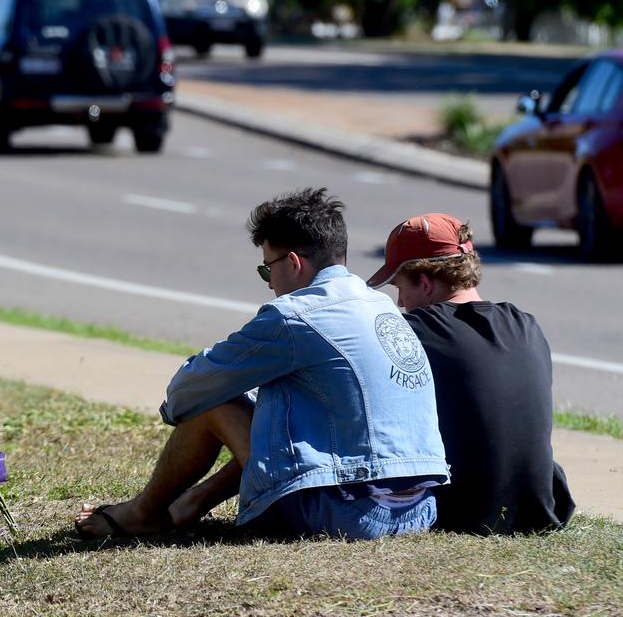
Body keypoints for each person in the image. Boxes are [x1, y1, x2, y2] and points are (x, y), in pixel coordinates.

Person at [75, 188, 449, 540]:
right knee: (288, 410)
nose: (270, 284)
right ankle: (193, 502)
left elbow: (192, 388)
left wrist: (181, 409)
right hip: (420, 509)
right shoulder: (382, 306)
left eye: (267, 269)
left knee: (219, 403)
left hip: (350, 513)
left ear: (293, 262)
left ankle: (143, 513)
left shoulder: (295, 315)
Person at [367, 213, 575, 535]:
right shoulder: (527, 325)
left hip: (463, 514)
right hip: (542, 509)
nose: (399, 302)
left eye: (400, 288)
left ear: (424, 282)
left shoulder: (415, 333)